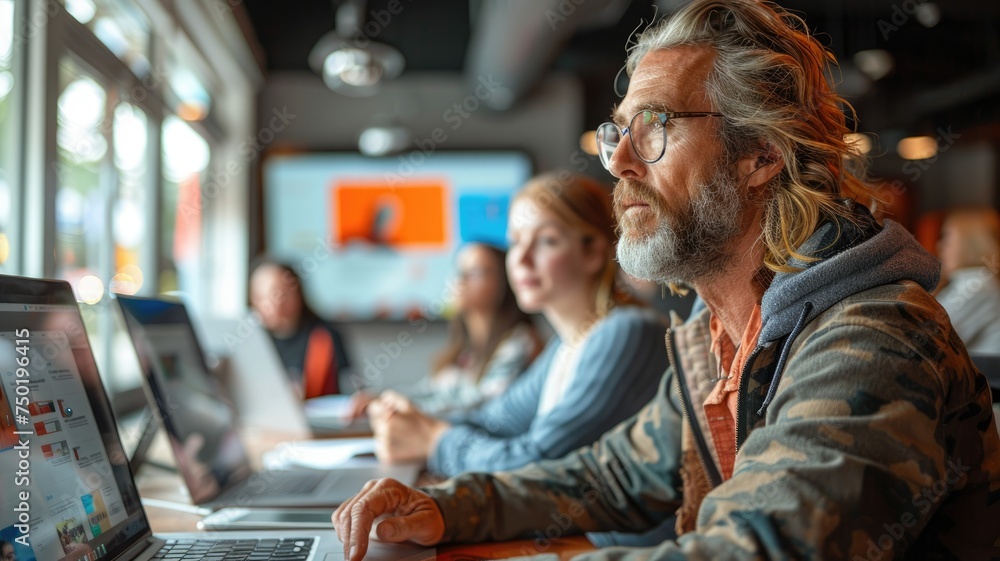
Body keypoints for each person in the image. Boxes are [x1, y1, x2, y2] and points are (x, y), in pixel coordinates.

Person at [332, 1, 1000, 559]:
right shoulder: (716, 337)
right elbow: (610, 475)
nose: (618, 161)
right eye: (616, 132)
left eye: (654, 126)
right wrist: (443, 505)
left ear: (761, 153)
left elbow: (756, 550)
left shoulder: (875, 336)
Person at [366, 172, 669, 478]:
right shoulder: (567, 346)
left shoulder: (627, 331)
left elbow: (537, 463)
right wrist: (411, 421)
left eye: (546, 241)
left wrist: (433, 441)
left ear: (593, 252)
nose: (521, 259)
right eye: (515, 241)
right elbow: (492, 422)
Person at [354, 242, 543, 417]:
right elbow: (430, 392)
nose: (460, 280)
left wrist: (402, 407)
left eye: (475, 272)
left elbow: (485, 405)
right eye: (458, 271)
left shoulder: (520, 341)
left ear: (505, 282)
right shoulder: (465, 351)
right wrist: (383, 398)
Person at [249, 259, 353, 398]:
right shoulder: (251, 341)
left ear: (297, 293)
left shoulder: (324, 337)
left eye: (279, 295)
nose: (272, 306)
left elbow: (349, 387)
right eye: (261, 297)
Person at [935, 207, 1000, 354]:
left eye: (947, 238)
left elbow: (930, 336)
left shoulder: (976, 285)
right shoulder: (977, 282)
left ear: (969, 244)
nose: (940, 246)